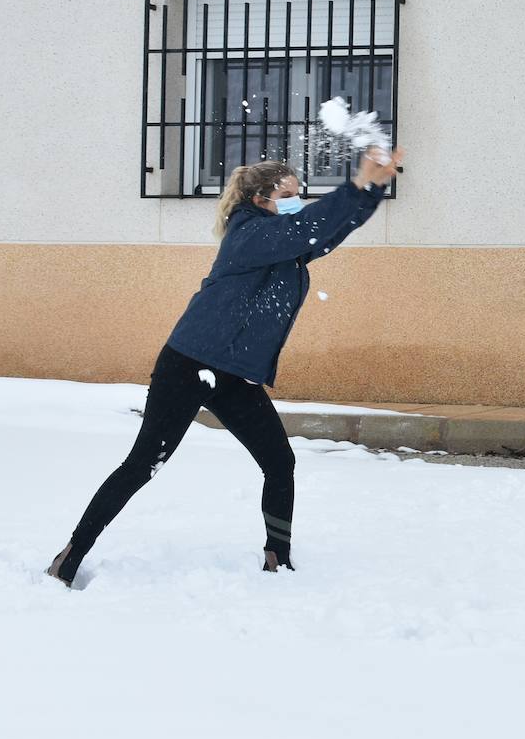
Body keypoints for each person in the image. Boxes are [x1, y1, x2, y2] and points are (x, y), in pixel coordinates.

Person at [46, 146, 404, 586]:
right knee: (143, 465)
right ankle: (69, 555)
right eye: (289, 195)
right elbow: (309, 227)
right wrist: (354, 183)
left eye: (300, 195)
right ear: (260, 201)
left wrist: (371, 189)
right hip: (189, 364)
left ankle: (278, 559)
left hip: (234, 375)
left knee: (279, 461)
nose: (298, 203)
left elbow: (326, 231)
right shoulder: (251, 235)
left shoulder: (285, 243)